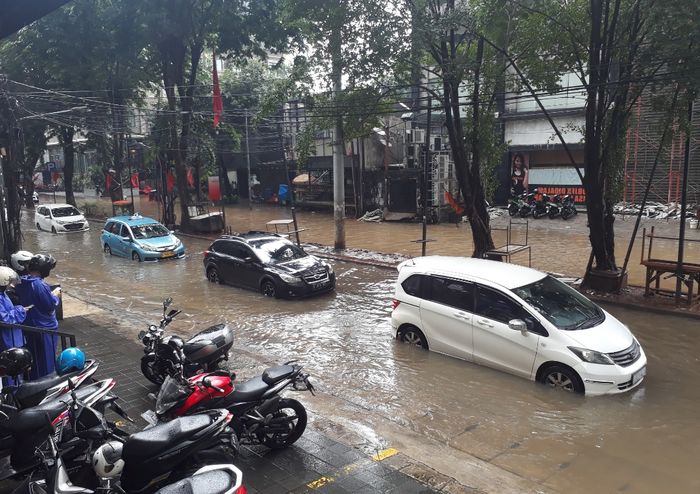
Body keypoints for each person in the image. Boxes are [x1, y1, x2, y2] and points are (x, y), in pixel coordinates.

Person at [15, 254, 60, 379]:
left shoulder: (22, 281)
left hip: (30, 325)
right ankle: (45, 383)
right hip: (44, 328)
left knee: (35, 358)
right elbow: (50, 305)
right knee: (46, 361)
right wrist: (55, 295)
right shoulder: (39, 285)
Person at [0, 267, 32, 386]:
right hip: (7, 337)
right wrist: (21, 311)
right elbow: (6, 318)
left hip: (12, 335)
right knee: (10, 366)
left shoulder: (3, 294)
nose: (11, 284)